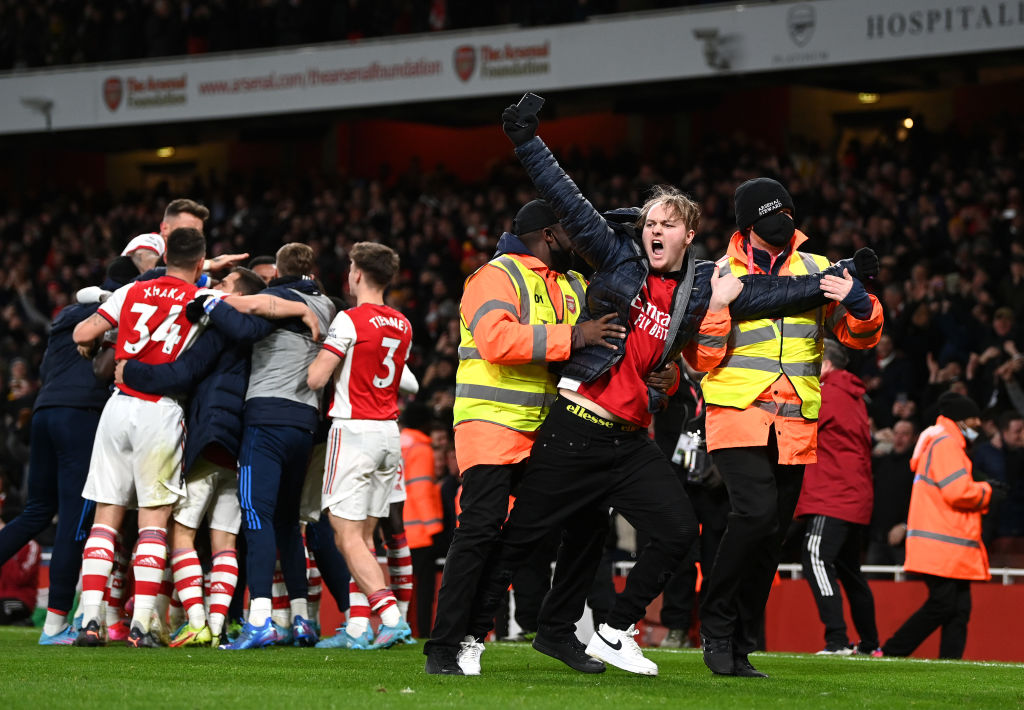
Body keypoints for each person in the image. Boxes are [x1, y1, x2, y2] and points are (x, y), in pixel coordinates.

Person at [464, 101, 876, 678]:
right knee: (525, 538)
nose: (655, 231)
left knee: (678, 532)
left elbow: (772, 296)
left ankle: (610, 629)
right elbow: (567, 199)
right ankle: (465, 639)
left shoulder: (705, 285)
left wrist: (837, 283)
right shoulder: (615, 257)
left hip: (630, 436)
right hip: (578, 422)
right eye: (650, 223)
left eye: (667, 225)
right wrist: (527, 140)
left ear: (689, 234)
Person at [422, 198, 626, 675]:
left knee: (588, 520)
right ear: (551, 235)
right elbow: (496, 340)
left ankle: (556, 631)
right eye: (573, 233)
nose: (582, 243)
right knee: (479, 531)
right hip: (491, 423)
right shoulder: (493, 276)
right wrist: (575, 337)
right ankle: (445, 646)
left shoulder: (575, 283)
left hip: (549, 429)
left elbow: (600, 343)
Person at [692, 176, 884, 678]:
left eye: (789, 212)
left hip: (795, 421)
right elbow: (702, 356)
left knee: (771, 536)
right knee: (754, 516)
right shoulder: (718, 272)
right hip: (736, 414)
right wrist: (715, 308)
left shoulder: (819, 268)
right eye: (774, 213)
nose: (785, 222)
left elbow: (855, 337)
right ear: (749, 223)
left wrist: (862, 306)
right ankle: (715, 624)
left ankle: (740, 642)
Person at [113, 267, 285, 647]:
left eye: (225, 284)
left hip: (210, 441)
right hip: (242, 445)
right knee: (224, 540)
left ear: (239, 293)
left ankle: (196, 620)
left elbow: (184, 373)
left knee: (182, 534)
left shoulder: (223, 330)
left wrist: (131, 371)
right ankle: (218, 624)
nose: (218, 288)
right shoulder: (262, 330)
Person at [70, 226, 209, 648]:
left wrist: (96, 346)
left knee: (106, 518)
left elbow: (82, 334)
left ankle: (91, 621)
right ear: (200, 263)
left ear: (165, 255)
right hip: (161, 410)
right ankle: (141, 625)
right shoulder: (201, 300)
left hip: (117, 407)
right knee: (153, 522)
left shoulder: (131, 290)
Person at [199, 242, 336, 650]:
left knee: (256, 517)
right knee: (288, 524)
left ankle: (259, 619)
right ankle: (301, 620)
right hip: (305, 423)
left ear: (277, 272)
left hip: (266, 417)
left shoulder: (274, 295)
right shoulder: (330, 305)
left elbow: (238, 306)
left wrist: (209, 297)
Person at [0, 260, 133, 645]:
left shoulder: (70, 313)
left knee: (35, 512)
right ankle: (56, 625)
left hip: (45, 411)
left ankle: (61, 620)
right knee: (75, 521)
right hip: (80, 416)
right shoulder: (127, 309)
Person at [306, 242, 415, 650]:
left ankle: (389, 618)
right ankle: (356, 627)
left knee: (344, 533)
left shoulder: (349, 321)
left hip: (354, 432)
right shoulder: (403, 323)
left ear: (356, 274)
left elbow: (317, 379)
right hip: (389, 433)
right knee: (365, 537)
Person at [880, 393, 994, 659]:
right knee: (944, 605)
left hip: (945, 542)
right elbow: (957, 492)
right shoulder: (946, 443)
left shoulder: (939, 441)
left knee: (958, 608)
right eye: (973, 419)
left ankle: (949, 664)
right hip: (943, 542)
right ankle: (891, 651)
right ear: (960, 419)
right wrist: (987, 492)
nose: (978, 424)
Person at [794, 339, 881, 656]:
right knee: (849, 570)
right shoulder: (855, 397)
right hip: (854, 496)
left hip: (833, 494)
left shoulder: (826, 395)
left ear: (825, 364)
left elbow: (797, 426)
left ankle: (837, 640)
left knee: (816, 557)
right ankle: (870, 644)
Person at [866, 419, 918, 568]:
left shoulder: (917, 465)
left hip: (905, 539)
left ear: (915, 438)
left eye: (905, 434)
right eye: (896, 433)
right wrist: (875, 441)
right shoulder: (882, 461)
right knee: (873, 585)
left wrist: (905, 525)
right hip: (877, 538)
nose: (899, 438)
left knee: (904, 587)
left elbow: (920, 501)